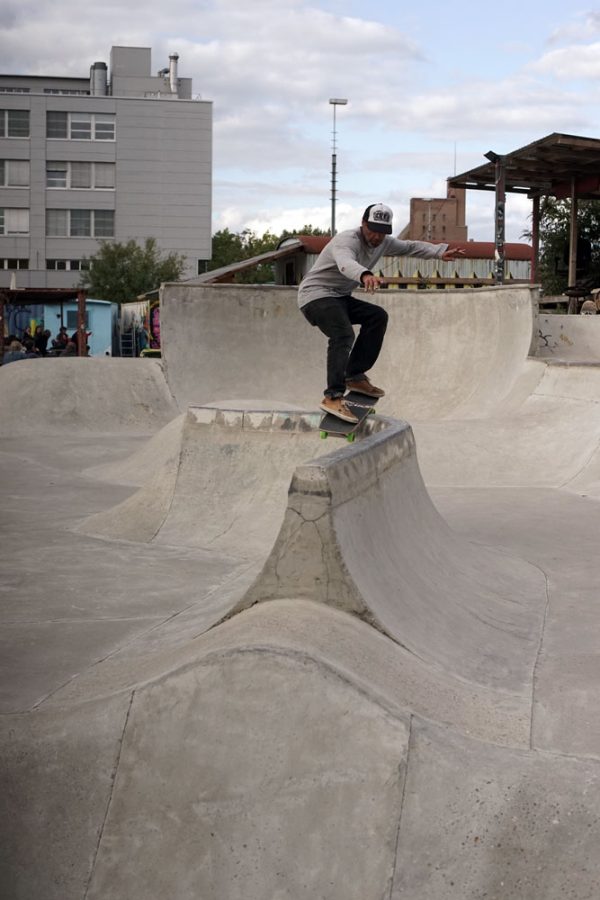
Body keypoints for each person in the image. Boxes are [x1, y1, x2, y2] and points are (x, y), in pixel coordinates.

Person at [298, 203, 465, 422]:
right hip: (315, 295)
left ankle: (355, 375)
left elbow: (410, 247)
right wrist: (365, 274)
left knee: (377, 316)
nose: (377, 237)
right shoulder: (347, 240)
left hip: (339, 297)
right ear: (363, 223)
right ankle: (333, 396)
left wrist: (440, 252)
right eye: (373, 230)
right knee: (343, 335)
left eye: (383, 232)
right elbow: (345, 263)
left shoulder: (384, 242)